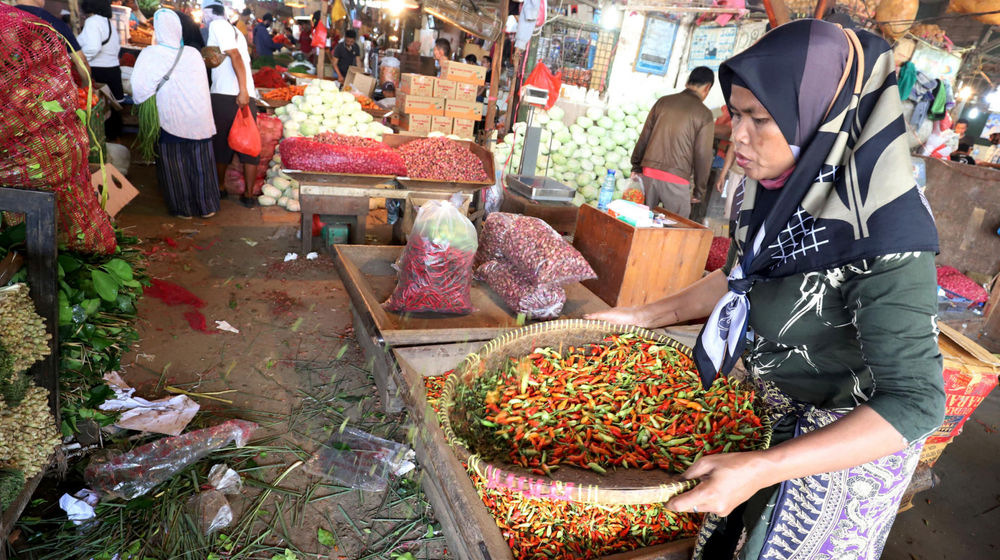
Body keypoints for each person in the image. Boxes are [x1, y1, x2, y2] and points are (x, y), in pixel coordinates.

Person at [588, 19, 943, 560]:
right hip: (762, 421)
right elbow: (740, 274)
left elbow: (917, 402)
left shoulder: (887, 232)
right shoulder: (771, 191)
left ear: (822, 117)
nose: (737, 136)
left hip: (839, 454)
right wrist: (643, 316)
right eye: (736, 114)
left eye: (760, 118)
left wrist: (763, 467)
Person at [132, 8, 219, 219]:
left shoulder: (150, 54)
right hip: (200, 118)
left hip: (173, 118)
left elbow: (139, 89)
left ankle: (183, 209)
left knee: (175, 165)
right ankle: (207, 206)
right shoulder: (193, 53)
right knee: (201, 163)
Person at [630, 66, 715, 219]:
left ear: (687, 82)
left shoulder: (663, 102)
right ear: (707, 88)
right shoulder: (704, 114)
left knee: (642, 222)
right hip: (676, 178)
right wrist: (699, 190)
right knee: (676, 225)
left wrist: (636, 165)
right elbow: (703, 155)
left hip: (649, 172)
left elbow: (645, 135)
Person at [204, 1, 258, 207]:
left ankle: (220, 188)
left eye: (204, 14)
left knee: (221, 144)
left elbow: (235, 55)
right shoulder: (235, 31)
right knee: (249, 143)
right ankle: (249, 195)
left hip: (228, 95)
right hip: (243, 94)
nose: (203, 18)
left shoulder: (217, 25)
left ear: (210, 12)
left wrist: (242, 91)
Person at [14, 0, 91, 88]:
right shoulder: (55, 23)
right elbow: (81, 61)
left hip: (12, 87)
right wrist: (86, 87)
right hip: (46, 88)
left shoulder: (6, 17)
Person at [78, 0, 123, 139]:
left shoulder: (93, 22)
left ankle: (102, 144)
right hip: (113, 71)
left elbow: (93, 47)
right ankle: (113, 142)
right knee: (113, 110)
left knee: (99, 111)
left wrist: (80, 60)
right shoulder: (107, 22)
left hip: (99, 71)